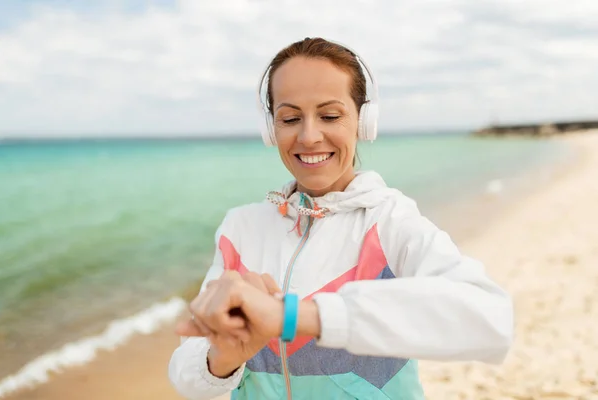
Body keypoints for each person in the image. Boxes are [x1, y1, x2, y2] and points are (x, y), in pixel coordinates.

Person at [168, 37, 513, 400]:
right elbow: (188, 380)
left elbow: (490, 319)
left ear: (364, 121)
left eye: (330, 116)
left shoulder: (390, 221)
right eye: (290, 118)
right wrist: (221, 360)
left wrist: (293, 318)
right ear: (271, 129)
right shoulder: (239, 229)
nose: (309, 136)